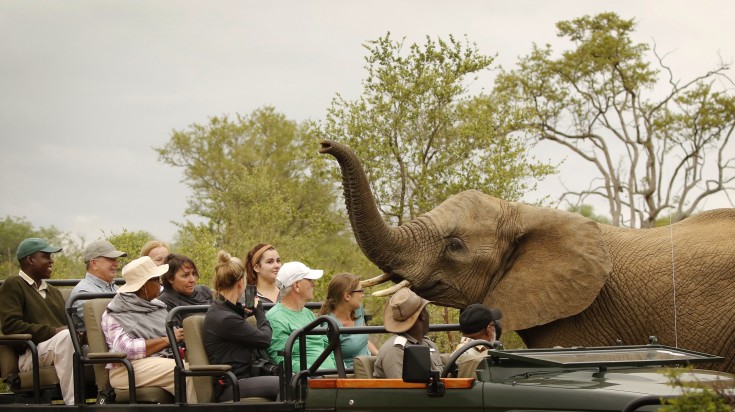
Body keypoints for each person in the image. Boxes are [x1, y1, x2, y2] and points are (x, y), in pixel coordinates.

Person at [101, 256, 197, 403]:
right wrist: (168, 340)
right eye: (156, 279)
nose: (160, 283)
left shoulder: (155, 306)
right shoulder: (115, 312)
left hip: (159, 360)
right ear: (144, 285)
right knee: (183, 370)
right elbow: (125, 349)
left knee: (200, 366)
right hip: (126, 369)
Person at [0, 238, 75, 404]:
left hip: (58, 347)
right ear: (30, 260)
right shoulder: (13, 285)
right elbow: (11, 325)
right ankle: (73, 403)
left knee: (83, 344)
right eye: (46, 256)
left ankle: (107, 398)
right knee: (67, 338)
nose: (51, 260)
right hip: (30, 353)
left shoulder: (53, 292)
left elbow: (65, 326)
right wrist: (53, 331)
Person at [202, 251, 280, 402]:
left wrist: (245, 313)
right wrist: (260, 313)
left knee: (296, 381)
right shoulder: (225, 318)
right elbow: (264, 340)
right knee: (289, 385)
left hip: (244, 377)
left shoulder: (223, 310)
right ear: (240, 283)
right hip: (232, 383)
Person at [266, 261, 336, 373]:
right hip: (308, 381)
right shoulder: (275, 318)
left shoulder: (308, 313)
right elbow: (281, 360)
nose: (314, 284)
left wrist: (340, 371)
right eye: (309, 280)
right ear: (297, 286)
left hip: (331, 378)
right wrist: (321, 374)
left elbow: (328, 346)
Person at [373, 288, 442, 379]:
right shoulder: (396, 350)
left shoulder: (429, 345)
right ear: (422, 315)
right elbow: (403, 390)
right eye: (425, 310)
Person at [318, 273, 377, 368]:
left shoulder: (358, 310)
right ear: (347, 296)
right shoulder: (329, 326)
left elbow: (363, 341)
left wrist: (379, 356)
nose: (362, 295)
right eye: (360, 291)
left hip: (370, 366)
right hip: (352, 374)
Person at [69, 239, 127, 332]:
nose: (116, 263)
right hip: (98, 345)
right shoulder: (83, 293)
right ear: (94, 263)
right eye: (111, 259)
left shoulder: (115, 288)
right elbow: (106, 325)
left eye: (116, 259)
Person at [158, 254, 212, 324]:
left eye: (193, 273)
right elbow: (179, 333)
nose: (192, 279)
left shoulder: (204, 291)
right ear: (170, 278)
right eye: (185, 275)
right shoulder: (166, 300)